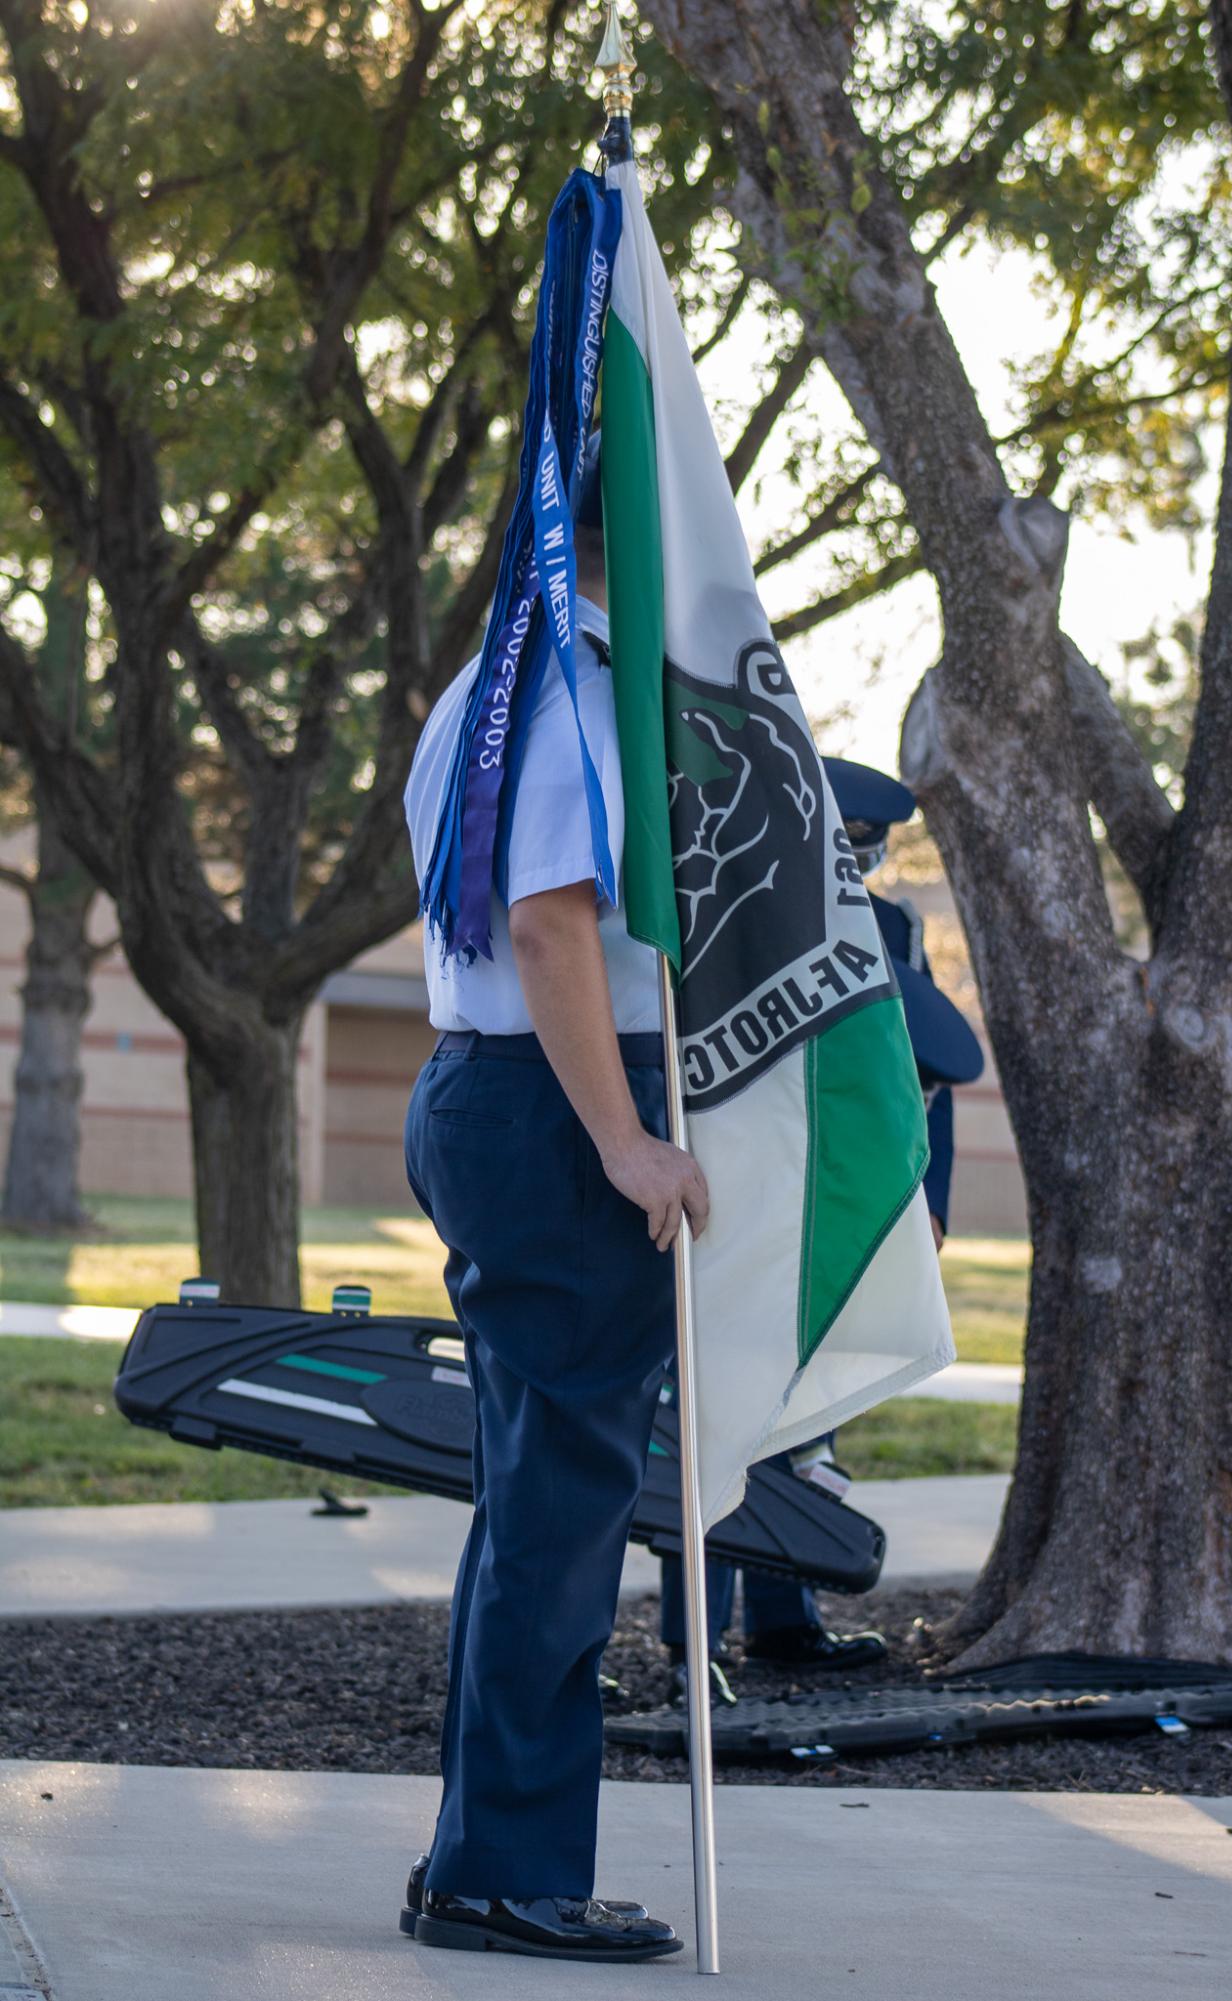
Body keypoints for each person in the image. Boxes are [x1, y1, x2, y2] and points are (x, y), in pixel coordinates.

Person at [399, 445, 707, 1966]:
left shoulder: (488, 676)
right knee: (563, 1513)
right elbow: (546, 921)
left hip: (490, 1094)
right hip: (553, 1108)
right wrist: (628, 1143)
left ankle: (476, 1860)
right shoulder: (571, 683)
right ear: (625, 541)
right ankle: (509, 1872)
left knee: (532, 1505)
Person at [659, 754, 981, 1684]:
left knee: (808, 1418)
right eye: (849, 844)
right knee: (720, 1417)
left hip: (845, 1197)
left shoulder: (893, 928)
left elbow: (923, 1081)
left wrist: (930, 1201)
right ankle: (695, 1644)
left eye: (870, 850)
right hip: (748, 1194)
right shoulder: (733, 900)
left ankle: (784, 1622)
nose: (861, 863)